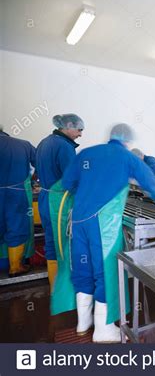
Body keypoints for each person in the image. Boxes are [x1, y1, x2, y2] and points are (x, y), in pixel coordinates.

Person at [61, 123, 155, 343]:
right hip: (103, 224)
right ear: (128, 142)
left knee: (83, 269)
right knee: (105, 272)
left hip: (79, 219)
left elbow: (68, 182)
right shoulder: (127, 158)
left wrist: (89, 195)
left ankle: (83, 324)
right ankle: (103, 329)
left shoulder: (86, 153)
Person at [35, 114, 85, 291]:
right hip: (60, 202)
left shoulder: (44, 142)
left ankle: (55, 287)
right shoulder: (64, 146)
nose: (80, 134)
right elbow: (72, 179)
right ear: (68, 127)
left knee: (51, 241)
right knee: (63, 244)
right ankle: (63, 290)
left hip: (45, 198)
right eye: (79, 130)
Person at [0, 126, 36, 277]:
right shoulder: (23, 144)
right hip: (16, 193)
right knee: (17, 227)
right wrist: (33, 180)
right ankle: (15, 267)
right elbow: (40, 163)